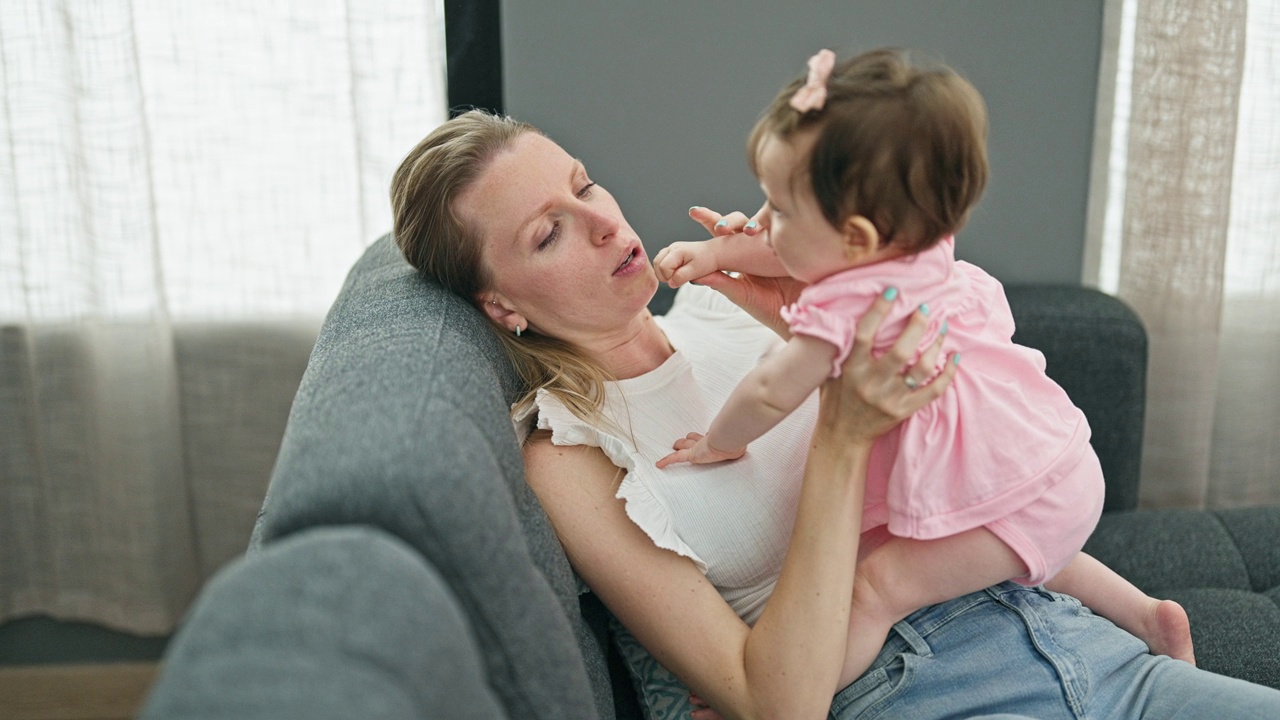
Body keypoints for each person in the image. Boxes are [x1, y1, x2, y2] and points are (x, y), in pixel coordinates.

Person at [387, 105, 1280, 718]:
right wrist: (841, 434)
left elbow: (950, 460)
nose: (602, 225)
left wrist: (815, 307)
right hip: (917, 691)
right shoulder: (570, 454)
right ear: (502, 306)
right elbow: (769, 698)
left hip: (1062, 626)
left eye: (584, 186)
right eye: (546, 232)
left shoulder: (722, 307)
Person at [650, 47, 1192, 681]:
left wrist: (720, 443)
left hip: (1029, 488)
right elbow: (791, 252)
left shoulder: (850, 307)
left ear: (855, 237)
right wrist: (717, 254)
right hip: (1061, 467)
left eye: (781, 208)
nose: (763, 222)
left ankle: (801, 699)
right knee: (1017, 537)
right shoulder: (918, 243)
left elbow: (772, 390)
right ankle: (1149, 617)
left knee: (872, 588)